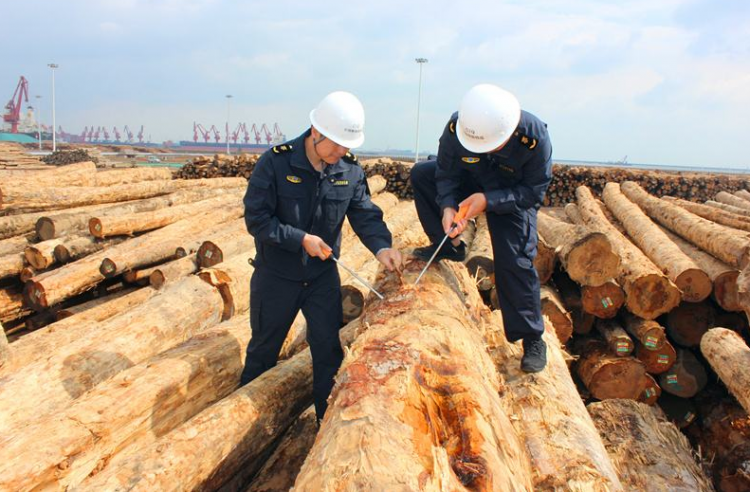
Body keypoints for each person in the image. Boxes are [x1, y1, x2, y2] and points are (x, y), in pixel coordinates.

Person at [241, 91, 403, 420]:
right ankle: (248, 430)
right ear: (316, 132)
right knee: (263, 353)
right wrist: (299, 239)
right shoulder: (276, 162)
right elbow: (257, 220)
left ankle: (323, 425)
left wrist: (382, 246)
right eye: (337, 144)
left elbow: (365, 215)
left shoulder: (349, 170)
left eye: (347, 146)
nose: (342, 152)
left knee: (328, 355)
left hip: (320, 278)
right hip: (276, 276)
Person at [411, 83, 552, 373]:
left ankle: (532, 337)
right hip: (473, 179)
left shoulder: (533, 137)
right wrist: (448, 206)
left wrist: (489, 200)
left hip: (511, 194)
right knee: (421, 174)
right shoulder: (458, 128)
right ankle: (447, 245)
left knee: (515, 258)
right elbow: (446, 173)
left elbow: (533, 192)